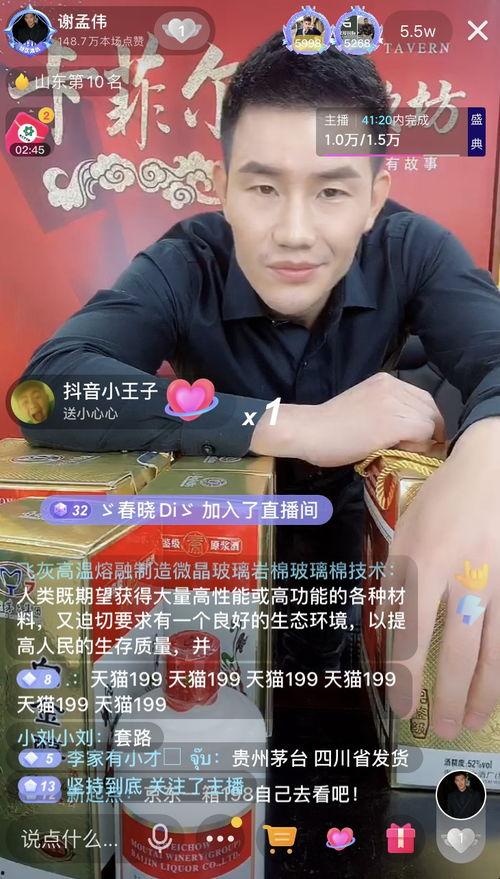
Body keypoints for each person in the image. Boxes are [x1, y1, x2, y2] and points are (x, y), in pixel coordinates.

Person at [20, 32, 500, 739]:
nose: (294, 232)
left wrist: (487, 459)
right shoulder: (186, 263)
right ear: (223, 189)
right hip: (219, 605)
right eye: (264, 187)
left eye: (332, 190)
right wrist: (292, 424)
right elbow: (50, 387)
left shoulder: (415, 249)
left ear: (374, 198)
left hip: (364, 597)